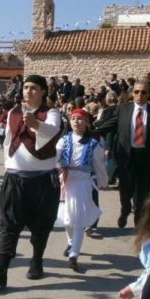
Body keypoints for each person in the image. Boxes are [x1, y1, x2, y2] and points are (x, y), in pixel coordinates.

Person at [0, 75, 62, 288]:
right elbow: (10, 138)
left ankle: (36, 259)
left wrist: (36, 124)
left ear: (43, 91)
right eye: (26, 87)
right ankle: (0, 270)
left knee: (41, 226)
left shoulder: (51, 113)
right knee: (8, 226)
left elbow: (52, 131)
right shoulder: (13, 112)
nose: (28, 91)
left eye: (34, 88)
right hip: (15, 179)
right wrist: (8, 162)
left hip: (42, 181)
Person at [95, 79, 150, 229]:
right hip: (126, 158)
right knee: (125, 191)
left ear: (149, 94)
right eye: (136, 92)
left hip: (147, 158)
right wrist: (91, 133)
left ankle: (139, 219)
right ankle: (125, 210)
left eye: (144, 92)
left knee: (143, 193)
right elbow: (110, 125)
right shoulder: (123, 109)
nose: (140, 95)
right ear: (132, 93)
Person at [56, 109, 106, 272]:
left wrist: (103, 181)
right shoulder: (63, 140)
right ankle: (71, 243)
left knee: (78, 221)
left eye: (80, 119)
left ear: (86, 122)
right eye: (73, 119)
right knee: (66, 218)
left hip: (82, 183)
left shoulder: (93, 144)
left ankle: (74, 255)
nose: (76, 122)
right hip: (65, 182)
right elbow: (53, 157)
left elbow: (99, 165)